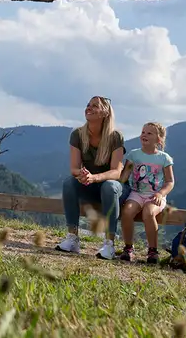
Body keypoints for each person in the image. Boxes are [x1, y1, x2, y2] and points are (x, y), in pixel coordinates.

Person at [55, 96, 126, 259]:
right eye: (88, 105)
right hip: (90, 184)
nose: (89, 108)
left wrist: (94, 177)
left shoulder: (115, 137)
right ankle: (72, 238)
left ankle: (109, 244)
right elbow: (74, 167)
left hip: (112, 187)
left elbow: (116, 172)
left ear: (105, 113)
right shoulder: (77, 135)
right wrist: (82, 175)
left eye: (95, 106)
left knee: (109, 186)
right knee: (68, 183)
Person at [118, 122, 176, 264]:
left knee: (148, 213)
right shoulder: (134, 155)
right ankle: (128, 248)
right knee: (127, 212)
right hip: (136, 193)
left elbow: (170, 182)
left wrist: (160, 194)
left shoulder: (164, 158)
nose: (144, 135)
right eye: (143, 132)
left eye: (149, 133)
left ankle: (152, 251)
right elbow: (124, 177)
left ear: (159, 140)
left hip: (155, 195)